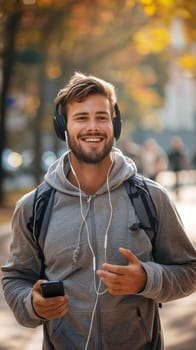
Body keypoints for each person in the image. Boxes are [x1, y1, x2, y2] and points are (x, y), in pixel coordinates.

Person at [1, 72, 196, 350]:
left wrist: (147, 279)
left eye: (101, 117)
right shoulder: (33, 207)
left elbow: (189, 271)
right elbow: (15, 278)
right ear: (63, 126)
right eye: (81, 117)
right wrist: (31, 304)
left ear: (114, 124)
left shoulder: (150, 198)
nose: (93, 127)